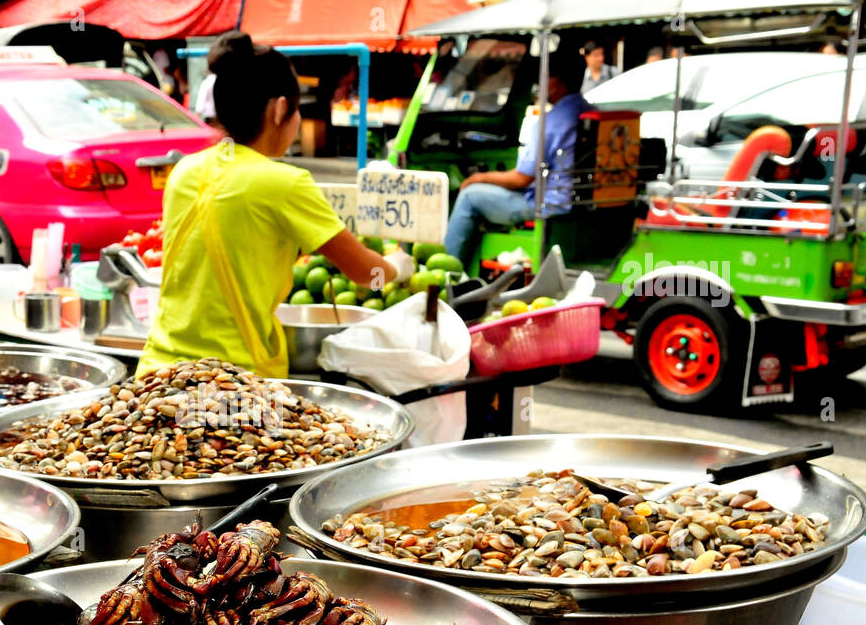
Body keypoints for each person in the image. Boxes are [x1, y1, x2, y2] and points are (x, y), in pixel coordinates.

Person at [138, 31, 415, 379]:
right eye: (298, 109)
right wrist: (399, 267)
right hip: (233, 388)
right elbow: (367, 275)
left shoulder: (184, 170)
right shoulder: (285, 183)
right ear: (280, 108)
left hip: (155, 376)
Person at [444, 50, 592, 266]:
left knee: (469, 195)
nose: (540, 85)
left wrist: (479, 178)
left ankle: (447, 269)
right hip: (582, 203)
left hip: (551, 206)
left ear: (557, 82)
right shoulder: (590, 111)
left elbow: (521, 179)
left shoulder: (548, 123)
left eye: (545, 78)